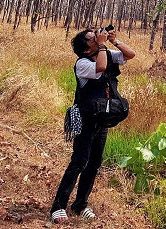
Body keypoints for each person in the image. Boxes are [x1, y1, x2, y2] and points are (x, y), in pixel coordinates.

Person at [50, 27, 136, 224]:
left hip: (102, 118)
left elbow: (131, 54)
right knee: (79, 161)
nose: (96, 37)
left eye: (95, 35)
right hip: (86, 118)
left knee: (94, 163)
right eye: (91, 39)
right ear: (87, 50)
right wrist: (103, 45)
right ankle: (58, 205)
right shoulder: (82, 63)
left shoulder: (105, 52)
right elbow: (101, 67)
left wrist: (114, 41)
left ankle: (80, 204)